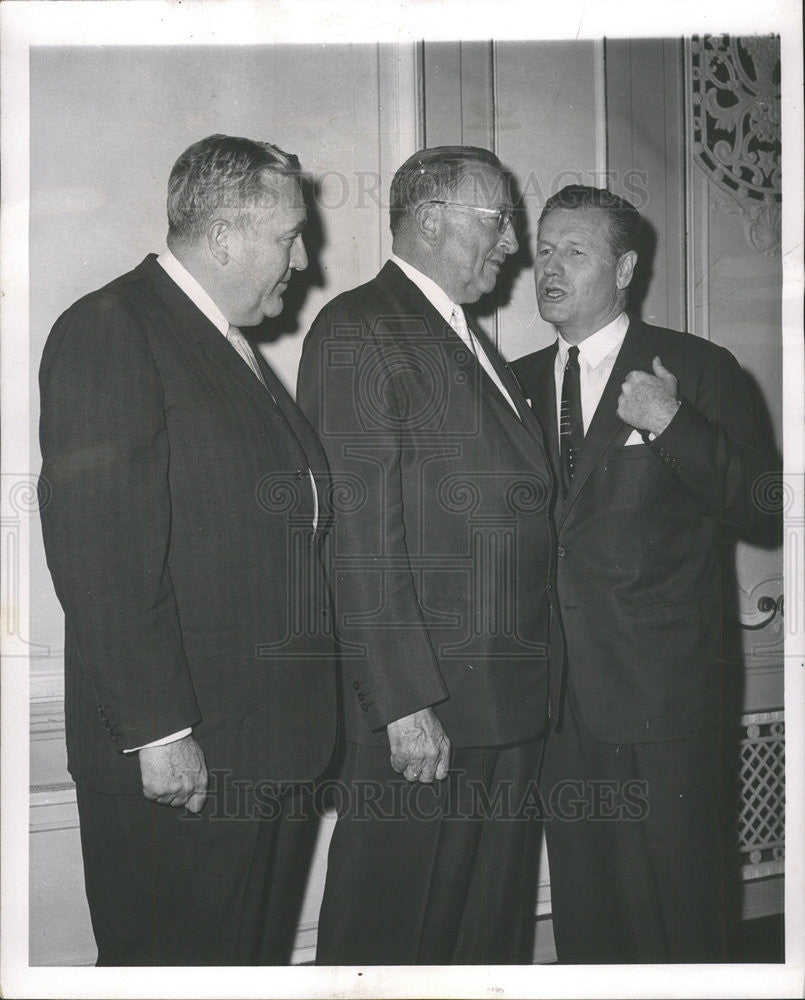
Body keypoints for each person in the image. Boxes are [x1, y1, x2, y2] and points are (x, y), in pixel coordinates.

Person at [38, 134, 337, 966]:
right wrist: (158, 729)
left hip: (263, 750)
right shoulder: (112, 329)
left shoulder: (223, 344)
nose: (302, 259)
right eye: (287, 237)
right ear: (223, 237)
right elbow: (100, 549)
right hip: (188, 761)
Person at [297, 145, 555, 965]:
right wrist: (404, 705)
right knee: (393, 936)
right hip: (426, 714)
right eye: (496, 220)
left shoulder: (464, 336)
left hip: (502, 704)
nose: (511, 244)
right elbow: (357, 534)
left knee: (481, 939)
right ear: (430, 217)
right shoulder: (363, 327)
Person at [511, 184, 773, 964]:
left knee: (678, 913)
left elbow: (764, 506)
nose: (549, 268)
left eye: (574, 251)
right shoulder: (510, 380)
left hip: (663, 699)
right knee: (591, 919)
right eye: (543, 249)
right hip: (554, 704)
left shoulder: (693, 368)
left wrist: (672, 423)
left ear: (624, 268)